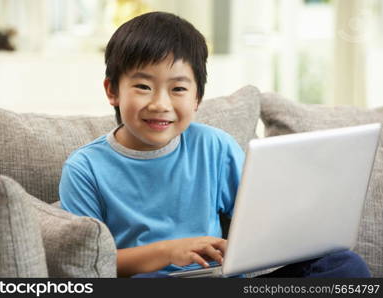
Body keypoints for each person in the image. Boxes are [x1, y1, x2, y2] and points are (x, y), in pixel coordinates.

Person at [59, 11, 371, 278]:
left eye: (178, 88)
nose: (160, 103)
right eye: (143, 86)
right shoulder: (85, 168)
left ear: (197, 99)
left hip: (220, 280)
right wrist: (169, 252)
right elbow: (89, 262)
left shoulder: (214, 147)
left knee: (343, 266)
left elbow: (261, 223)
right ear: (112, 90)